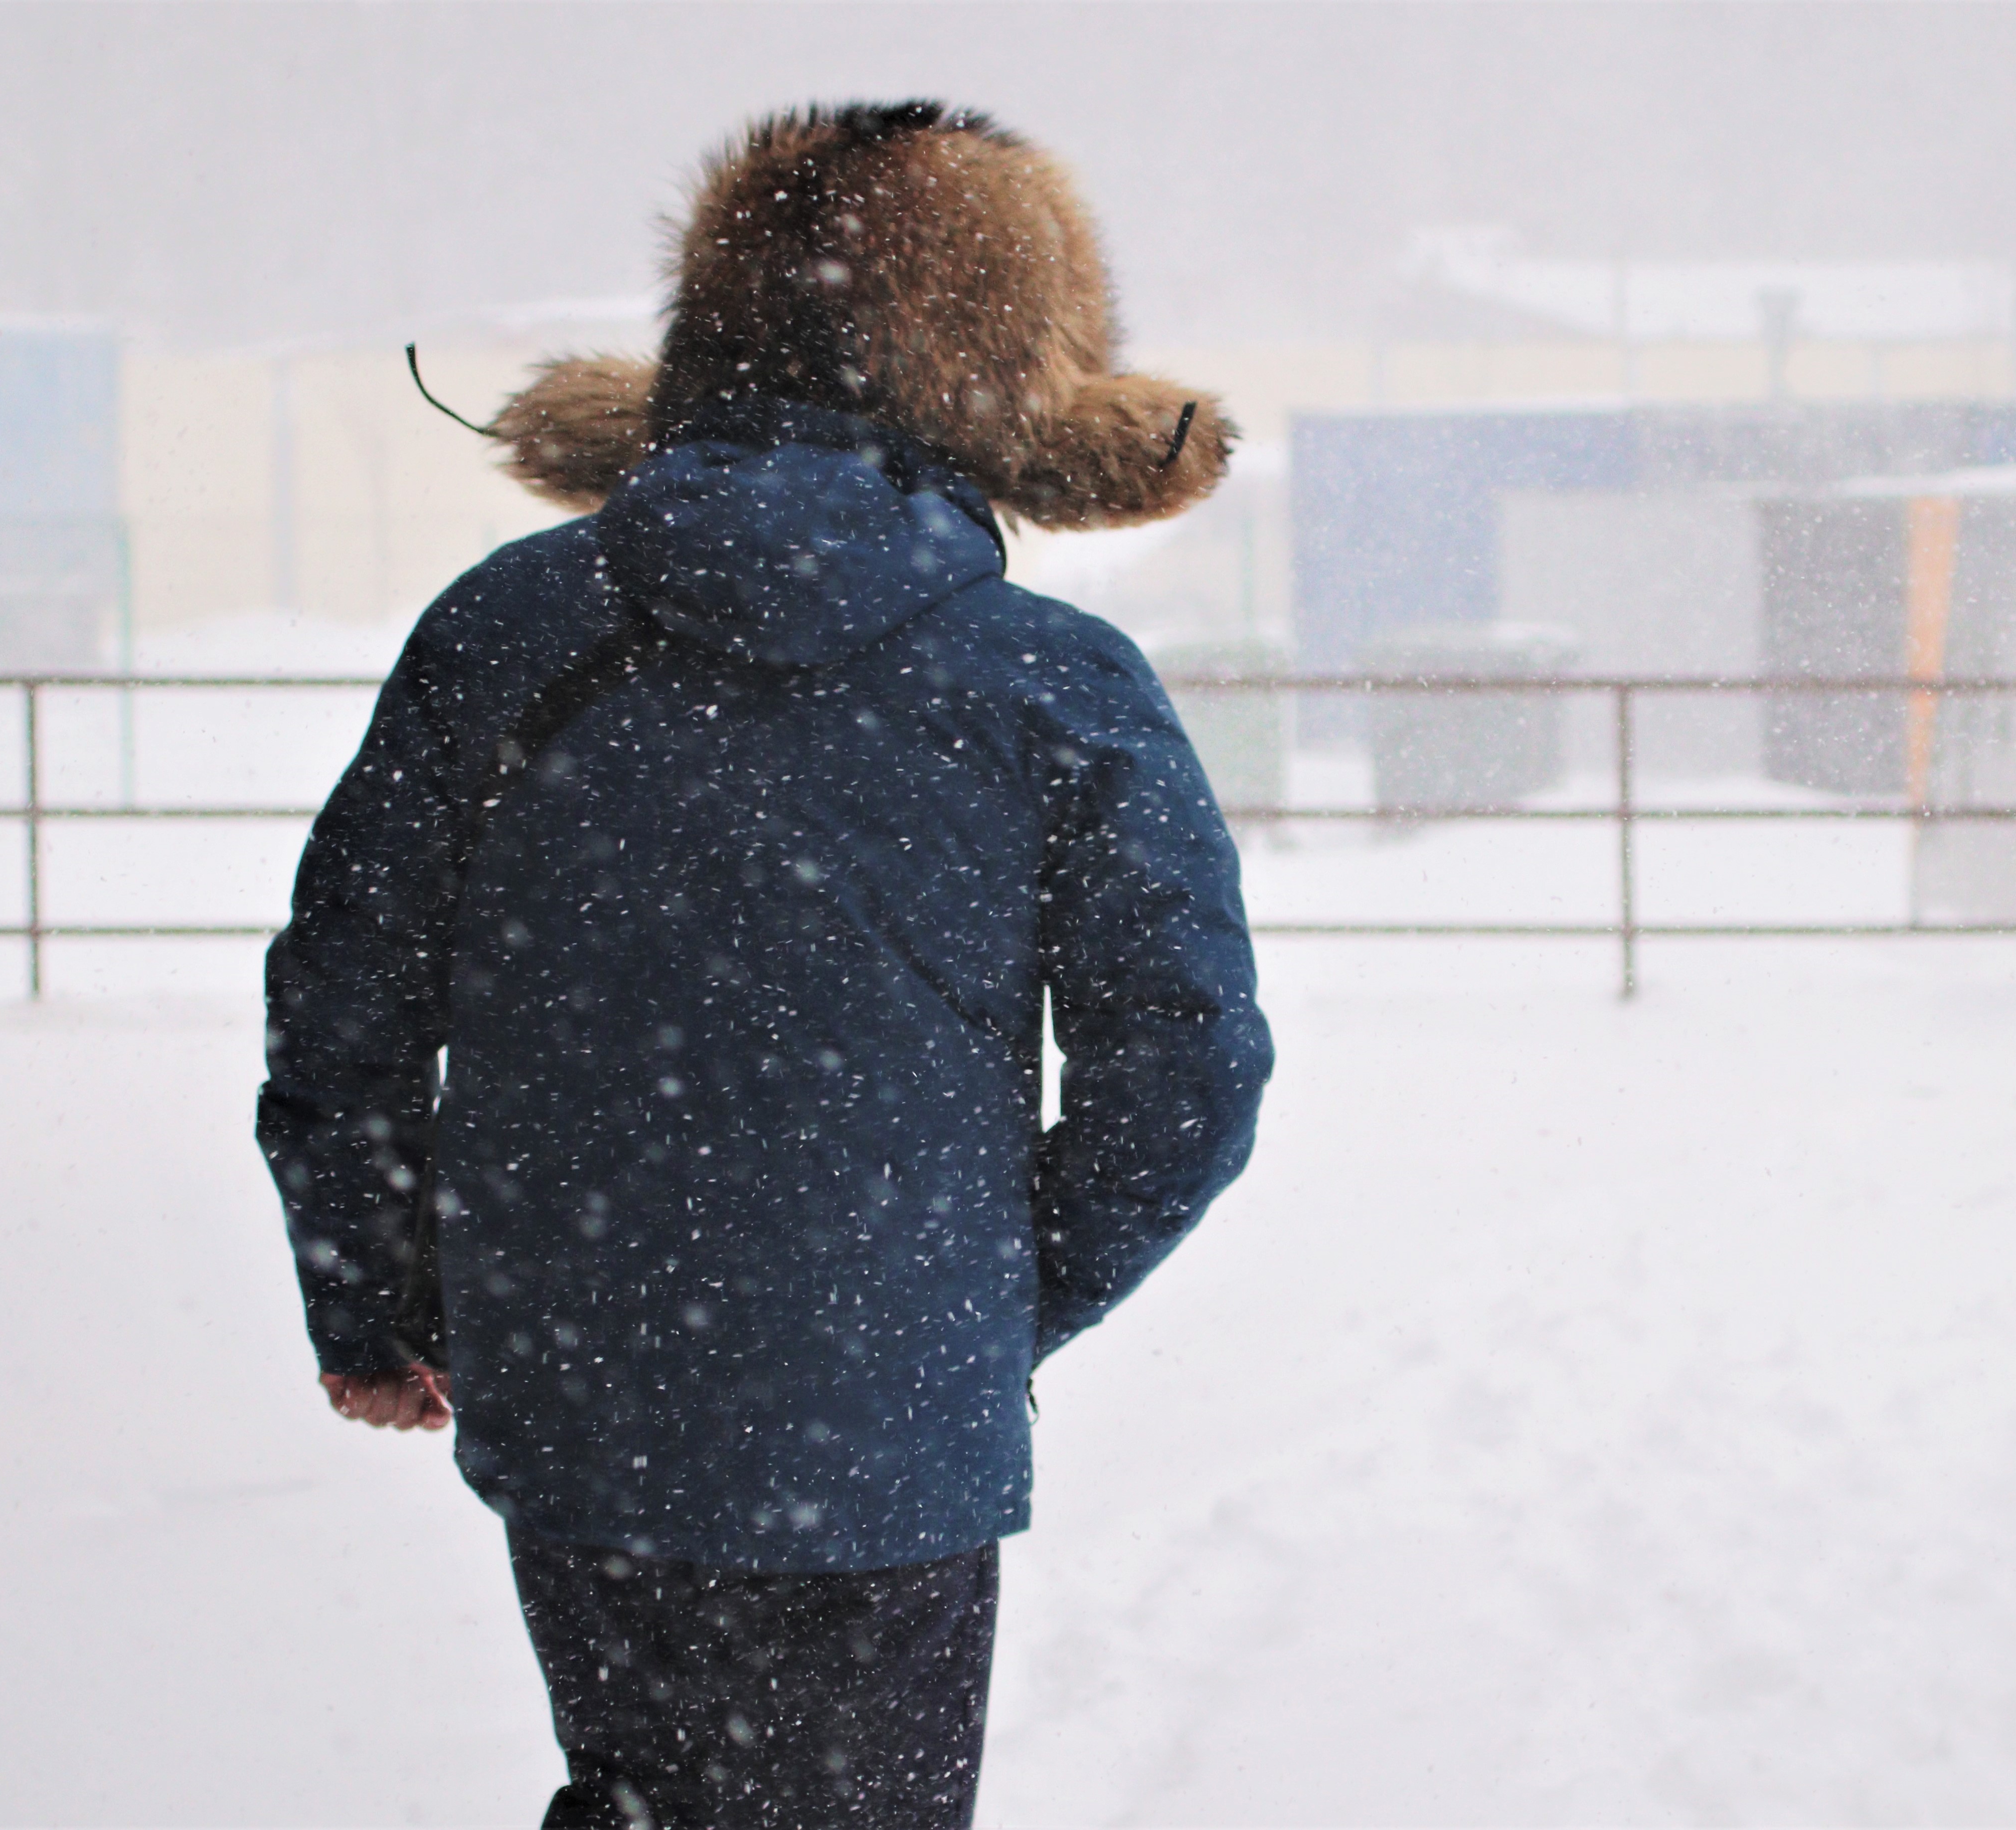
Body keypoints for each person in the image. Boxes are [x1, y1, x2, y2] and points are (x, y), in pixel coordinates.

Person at [258, 100, 1271, 1829]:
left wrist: (376, 1293)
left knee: (646, 1786)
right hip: (890, 1431)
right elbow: (1183, 1071)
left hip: (578, 1390)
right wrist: (978, 1300)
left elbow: (345, 1000)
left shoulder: (508, 628)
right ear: (1010, 385)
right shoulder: (1054, 680)